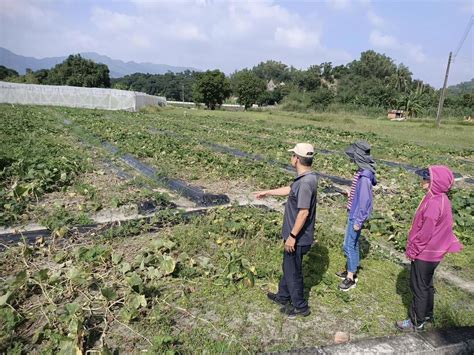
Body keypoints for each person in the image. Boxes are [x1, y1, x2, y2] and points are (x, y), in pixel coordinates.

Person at [254, 143, 318, 318]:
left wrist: (292, 236)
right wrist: (268, 192)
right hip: (297, 236)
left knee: (293, 272)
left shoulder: (305, 183)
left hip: (298, 238)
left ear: (296, 159)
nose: (291, 158)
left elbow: (303, 212)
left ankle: (300, 307)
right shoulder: (307, 178)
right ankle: (283, 296)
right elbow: (291, 190)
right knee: (289, 267)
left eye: (292, 156)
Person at [396, 166, 463, 331]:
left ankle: (416, 322)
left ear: (435, 182)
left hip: (425, 253)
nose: (423, 180)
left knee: (418, 287)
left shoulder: (434, 204)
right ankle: (427, 314)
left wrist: (413, 250)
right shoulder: (440, 198)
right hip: (435, 253)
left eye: (426, 178)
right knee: (427, 285)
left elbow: (425, 233)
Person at [336, 140, 377, 291]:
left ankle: (350, 278)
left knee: (349, 245)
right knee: (352, 243)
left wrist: (358, 220)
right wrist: (350, 194)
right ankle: (350, 270)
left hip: (356, 215)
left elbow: (365, 200)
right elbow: (359, 194)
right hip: (353, 211)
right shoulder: (362, 171)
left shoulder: (365, 176)